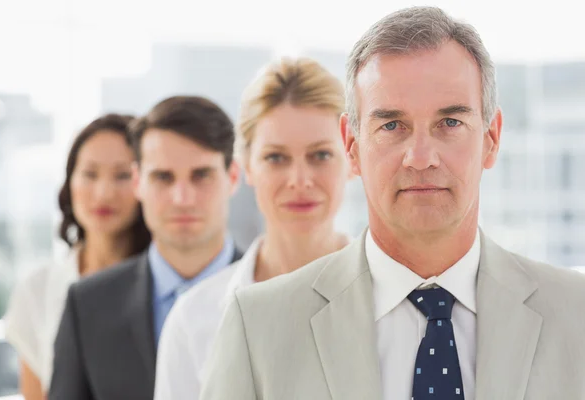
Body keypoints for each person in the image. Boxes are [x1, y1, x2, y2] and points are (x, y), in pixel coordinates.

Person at [200, 7, 585, 400]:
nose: (421, 157)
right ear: (351, 145)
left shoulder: (577, 315)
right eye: (391, 125)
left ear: (491, 138)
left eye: (450, 123)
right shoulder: (258, 327)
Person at [154, 57, 352, 400]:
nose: (299, 181)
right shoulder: (194, 320)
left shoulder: (395, 300)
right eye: (276, 158)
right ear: (246, 167)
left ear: (351, 157)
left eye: (320, 155)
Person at [48, 96, 243, 400]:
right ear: (138, 181)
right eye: (163, 177)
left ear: (232, 177)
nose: (182, 198)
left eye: (201, 175)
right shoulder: (86, 306)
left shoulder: (277, 294)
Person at [4, 114, 151, 400]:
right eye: (89, 174)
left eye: (122, 175)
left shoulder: (168, 282)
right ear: (69, 182)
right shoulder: (37, 290)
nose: (104, 192)